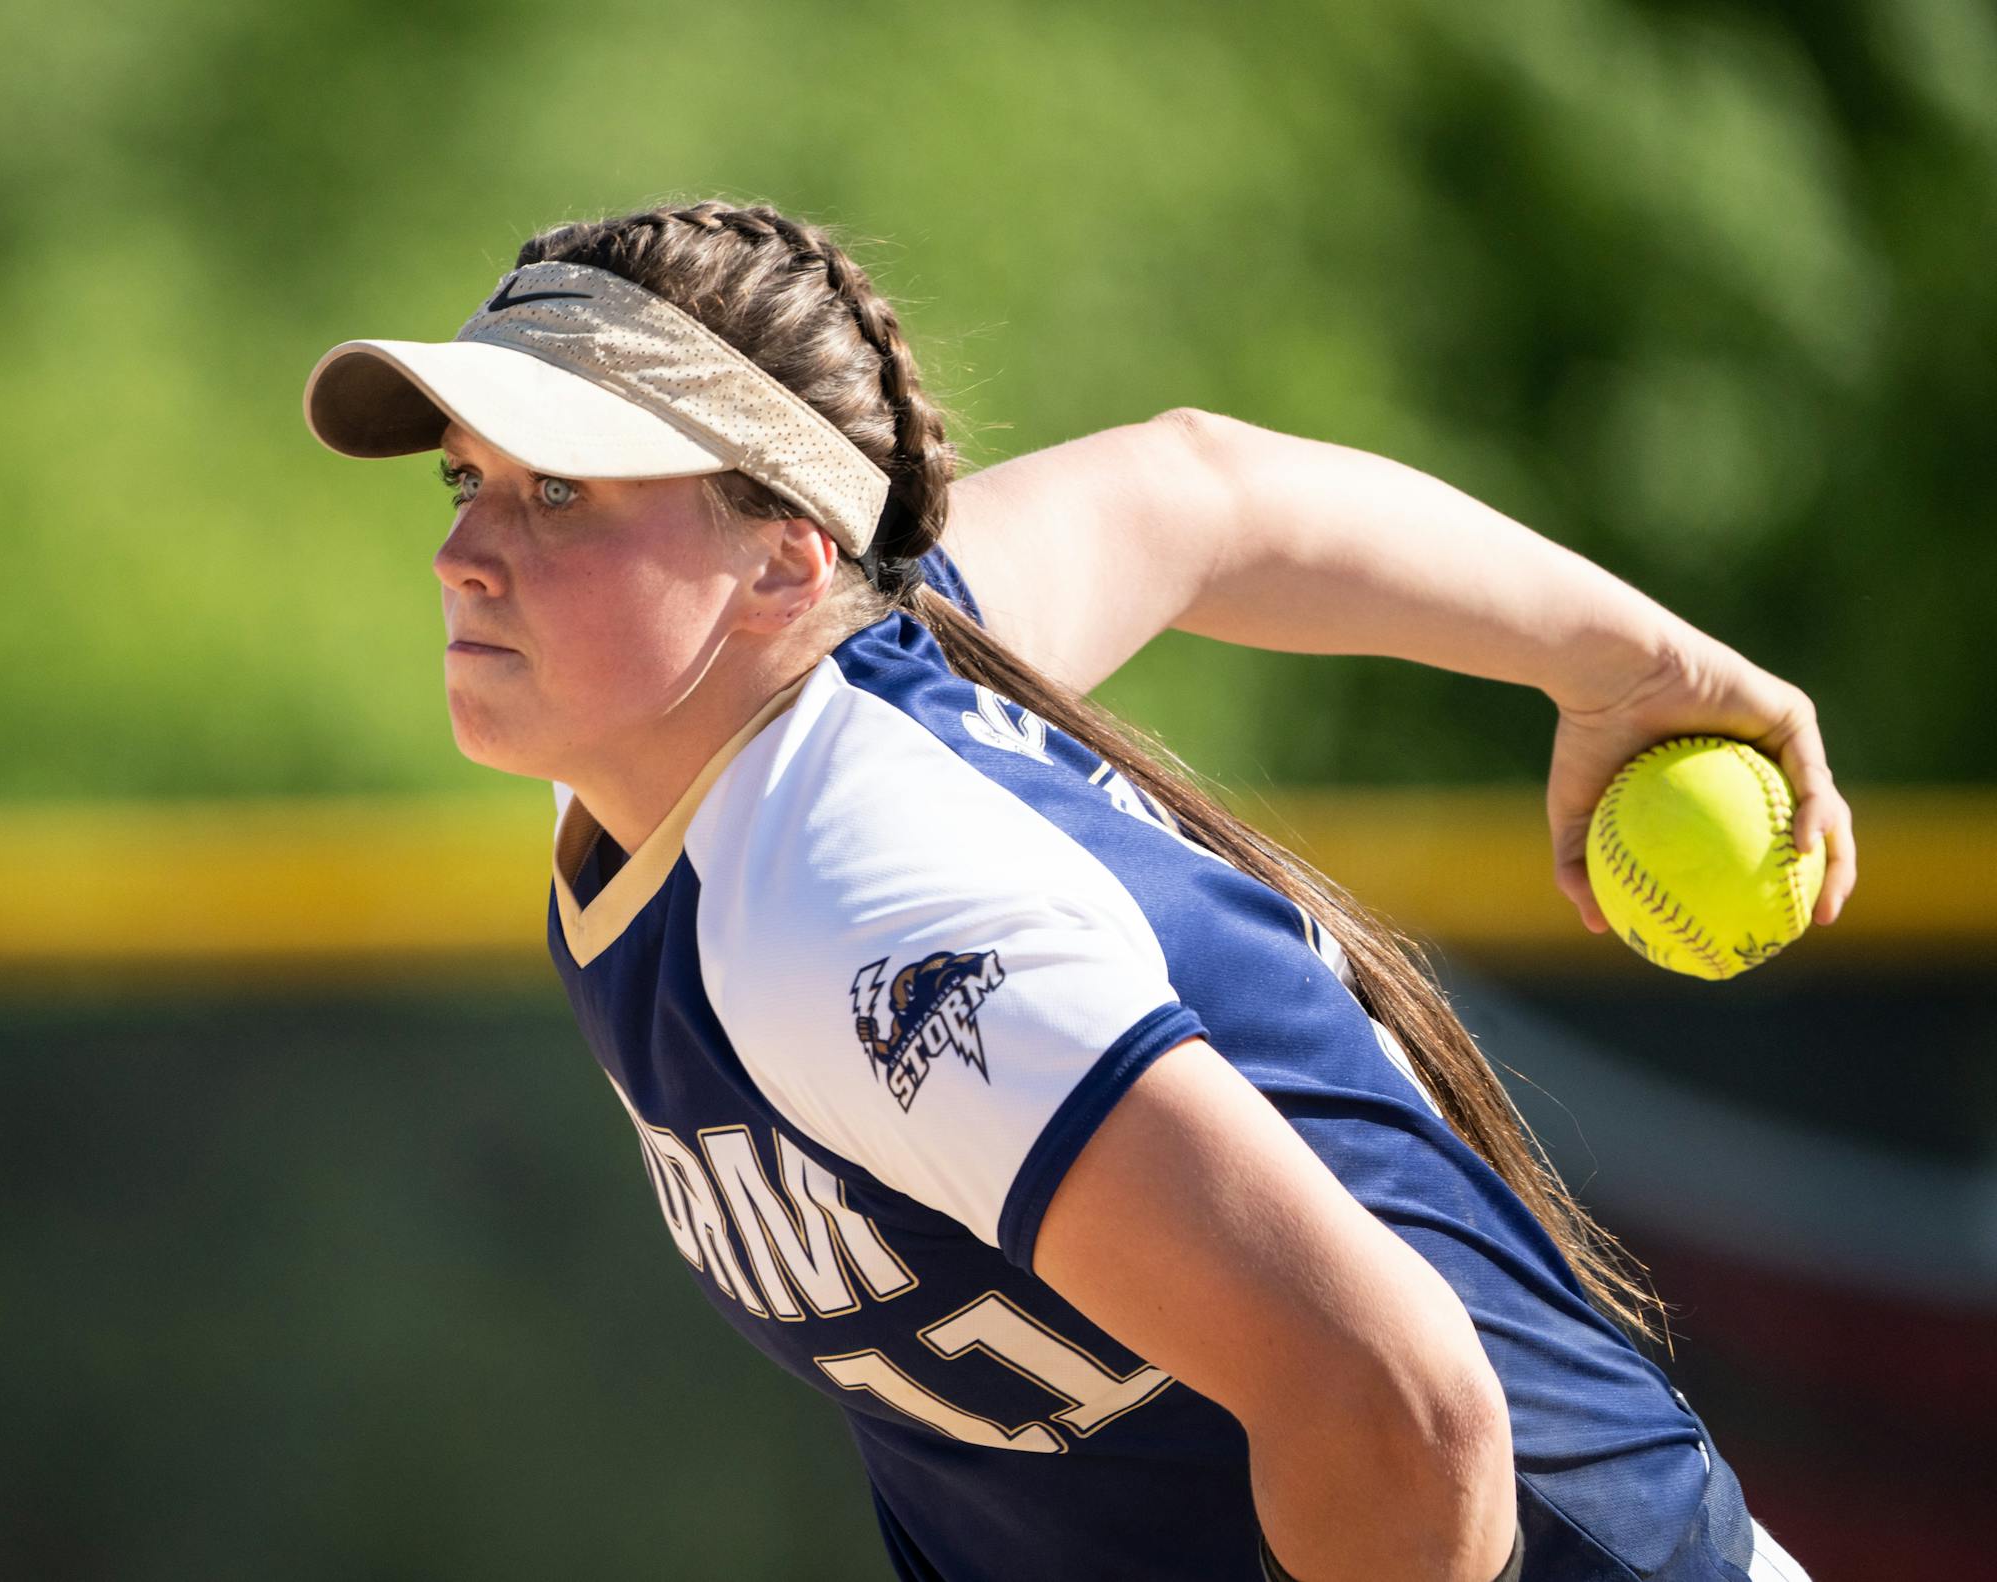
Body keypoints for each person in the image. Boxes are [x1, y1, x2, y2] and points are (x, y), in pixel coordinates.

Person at [303, 199, 1850, 1581]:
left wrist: (1650, 663)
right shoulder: (753, 707)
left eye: (561, 492)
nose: (462, 550)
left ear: (783, 562)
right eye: (466, 477)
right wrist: (1636, 667)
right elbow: (1208, 494)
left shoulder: (863, 897)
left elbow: (1395, 1396)